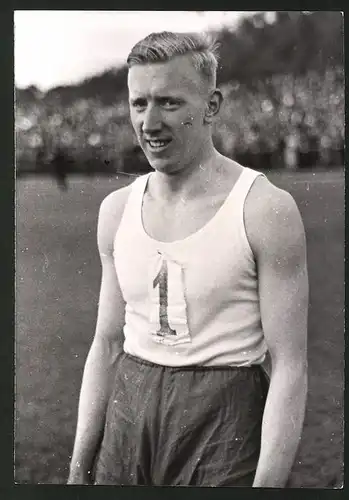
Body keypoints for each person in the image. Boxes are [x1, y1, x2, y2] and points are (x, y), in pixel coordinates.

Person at [68, 31, 308, 487]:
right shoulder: (116, 210)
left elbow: (290, 365)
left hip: (224, 418)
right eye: (139, 104)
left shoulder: (262, 209)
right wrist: (79, 469)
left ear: (211, 106)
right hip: (130, 412)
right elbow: (106, 345)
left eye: (169, 103)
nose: (150, 122)